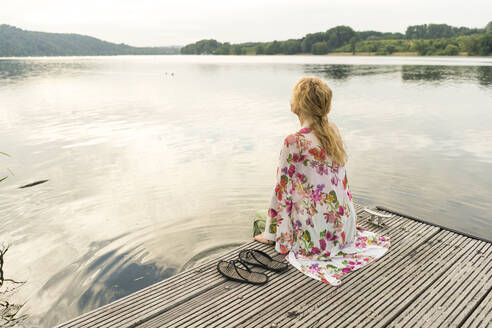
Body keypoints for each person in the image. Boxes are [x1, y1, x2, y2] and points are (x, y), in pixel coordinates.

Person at [253, 77, 390, 286]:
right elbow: (342, 184)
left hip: (315, 235)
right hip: (343, 228)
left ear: (299, 104)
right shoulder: (332, 132)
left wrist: (271, 235)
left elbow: (281, 192)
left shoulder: (294, 141)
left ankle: (267, 240)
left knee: (260, 218)